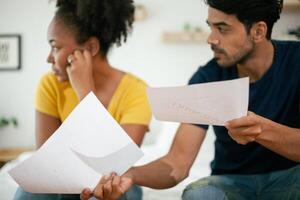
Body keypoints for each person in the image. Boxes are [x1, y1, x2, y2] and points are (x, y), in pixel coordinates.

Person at [80, 0, 300, 199]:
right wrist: (129, 174)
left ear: (258, 31)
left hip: (291, 177)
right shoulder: (206, 78)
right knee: (199, 194)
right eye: (210, 26)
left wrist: (262, 130)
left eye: (222, 28)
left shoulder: (296, 60)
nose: (211, 38)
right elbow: (177, 163)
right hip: (232, 183)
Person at [14, 0, 151, 200]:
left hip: (114, 185)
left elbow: (113, 167)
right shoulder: (50, 84)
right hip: (64, 180)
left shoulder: (136, 91)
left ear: (91, 47)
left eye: (55, 47)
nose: (49, 58)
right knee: (30, 190)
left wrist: (86, 94)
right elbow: (46, 165)